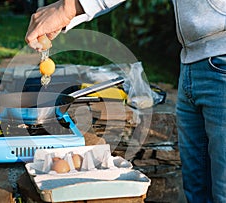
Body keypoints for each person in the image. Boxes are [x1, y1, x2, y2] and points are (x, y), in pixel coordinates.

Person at [25, 0, 226, 202]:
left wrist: (67, 7)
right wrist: (69, 15)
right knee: (197, 191)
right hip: (192, 62)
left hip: (221, 60)